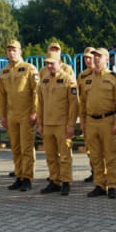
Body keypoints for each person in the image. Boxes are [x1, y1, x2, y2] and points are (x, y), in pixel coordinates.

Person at [81, 48, 116, 198]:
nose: (96, 59)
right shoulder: (87, 79)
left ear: (107, 59)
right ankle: (99, 184)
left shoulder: (114, 78)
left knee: (110, 155)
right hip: (91, 121)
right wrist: (83, 122)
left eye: (99, 56)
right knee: (95, 155)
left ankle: (112, 185)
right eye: (94, 57)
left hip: (108, 121)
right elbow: (83, 103)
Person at [0, 40, 39, 191]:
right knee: (15, 147)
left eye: (14, 50)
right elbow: (1, 95)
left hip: (26, 114)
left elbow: (36, 91)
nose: (11, 53)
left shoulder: (29, 68)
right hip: (11, 114)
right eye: (9, 50)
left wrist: (35, 111)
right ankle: (19, 176)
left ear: (20, 52)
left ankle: (27, 178)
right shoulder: (4, 71)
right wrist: (2, 115)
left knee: (26, 147)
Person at [36, 48, 78, 195]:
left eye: (52, 63)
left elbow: (74, 104)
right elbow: (40, 103)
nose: (49, 66)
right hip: (47, 124)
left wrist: (71, 124)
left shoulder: (68, 79)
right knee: (50, 154)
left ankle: (66, 181)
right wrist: (40, 123)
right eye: (47, 64)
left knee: (65, 155)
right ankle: (54, 180)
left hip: (62, 123)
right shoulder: (44, 79)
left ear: (60, 63)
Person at [77, 47, 97, 183]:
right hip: (88, 117)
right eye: (85, 58)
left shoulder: (105, 74)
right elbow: (80, 99)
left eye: (90, 57)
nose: (88, 60)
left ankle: (103, 173)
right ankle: (94, 171)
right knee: (90, 148)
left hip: (102, 118)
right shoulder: (82, 76)